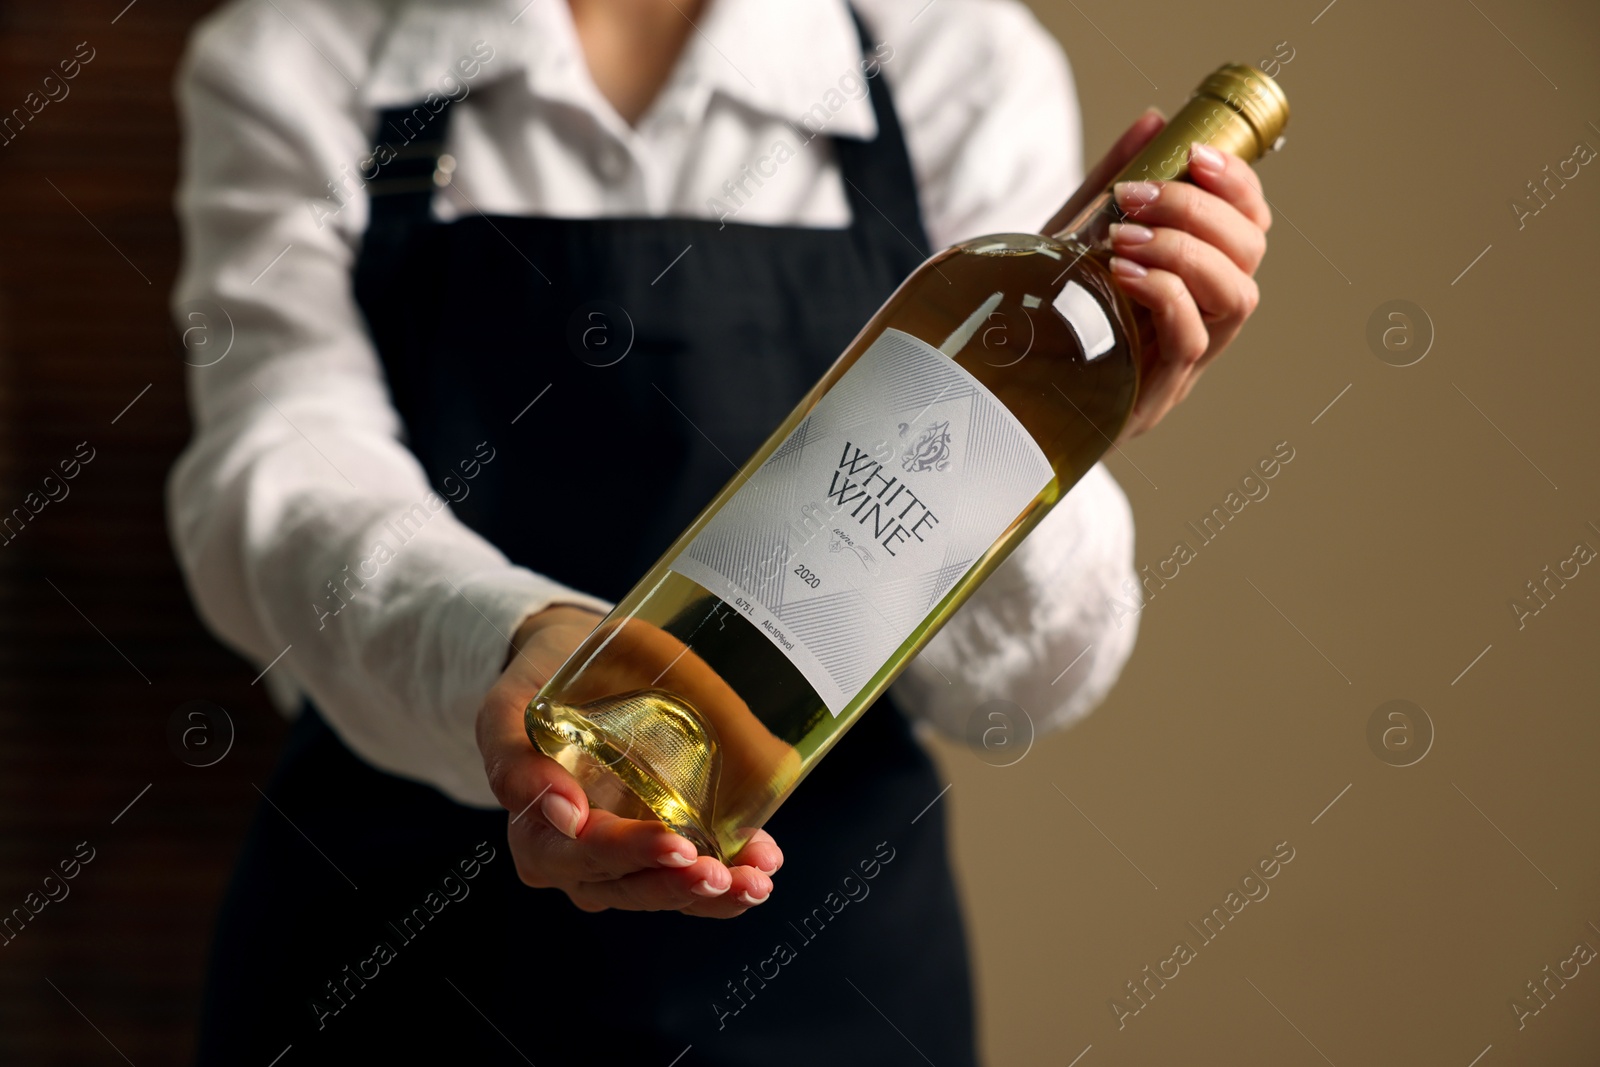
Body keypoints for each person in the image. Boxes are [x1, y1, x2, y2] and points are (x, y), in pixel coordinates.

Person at [168, 0, 1272, 1062]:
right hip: (394, 966)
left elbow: (1010, 697)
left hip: (825, 979)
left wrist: (1046, 440)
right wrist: (513, 638)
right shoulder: (298, 52)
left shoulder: (957, 58)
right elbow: (280, 465)